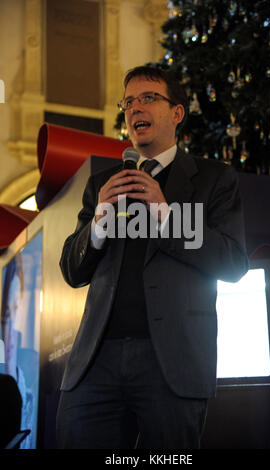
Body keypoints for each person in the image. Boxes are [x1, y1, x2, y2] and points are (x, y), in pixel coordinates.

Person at [56, 65, 248, 449]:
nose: (134, 109)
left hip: (171, 362)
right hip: (97, 360)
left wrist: (167, 214)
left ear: (176, 113)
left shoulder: (213, 179)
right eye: (128, 102)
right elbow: (73, 271)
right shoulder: (103, 185)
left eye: (147, 98)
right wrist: (97, 224)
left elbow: (232, 264)